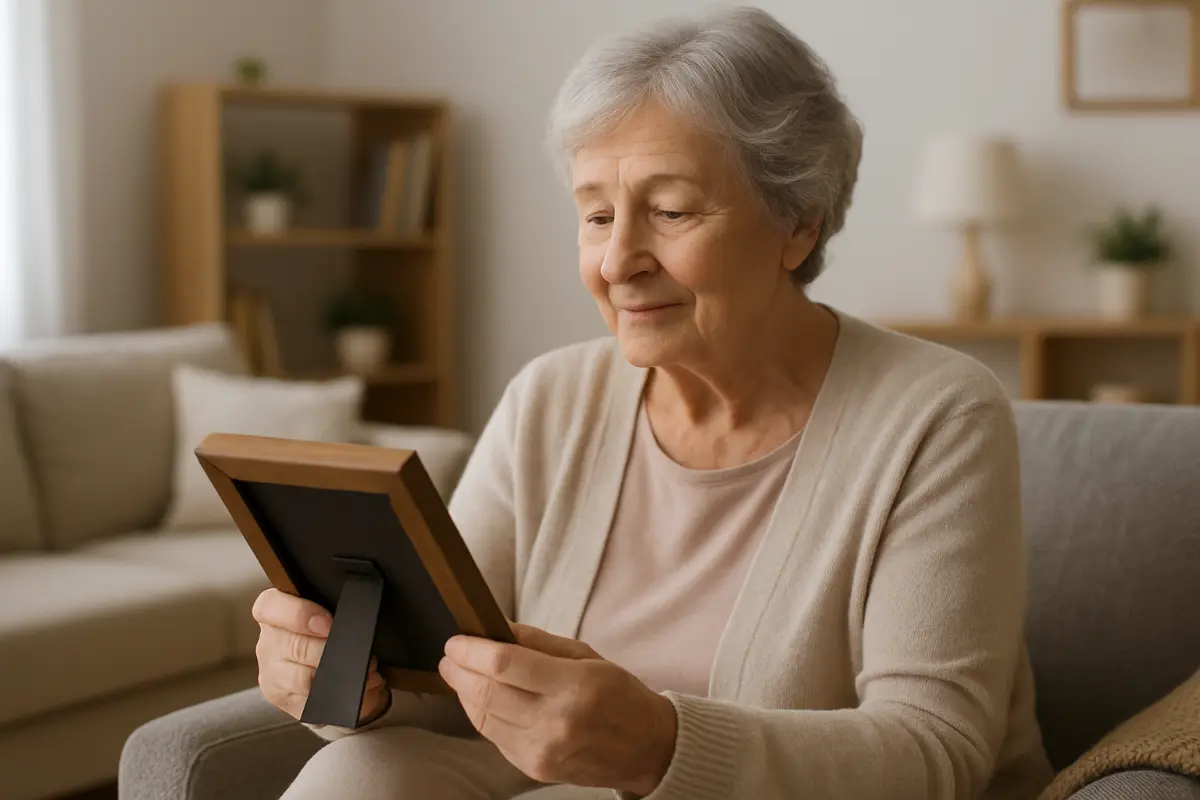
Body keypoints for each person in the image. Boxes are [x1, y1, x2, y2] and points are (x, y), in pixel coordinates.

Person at [252, 7, 1054, 798]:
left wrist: (660, 749)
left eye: (670, 211)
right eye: (596, 215)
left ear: (798, 223)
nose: (617, 261)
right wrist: (346, 674)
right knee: (352, 774)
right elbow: (438, 668)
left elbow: (937, 753)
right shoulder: (549, 399)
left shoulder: (937, 415)